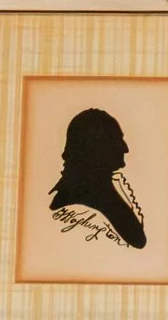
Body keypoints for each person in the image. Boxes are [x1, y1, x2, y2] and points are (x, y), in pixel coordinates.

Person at [47, 104, 147, 250]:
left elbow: (138, 242)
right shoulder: (80, 202)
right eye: (117, 139)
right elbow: (137, 242)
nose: (125, 148)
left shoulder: (108, 191)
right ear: (97, 148)